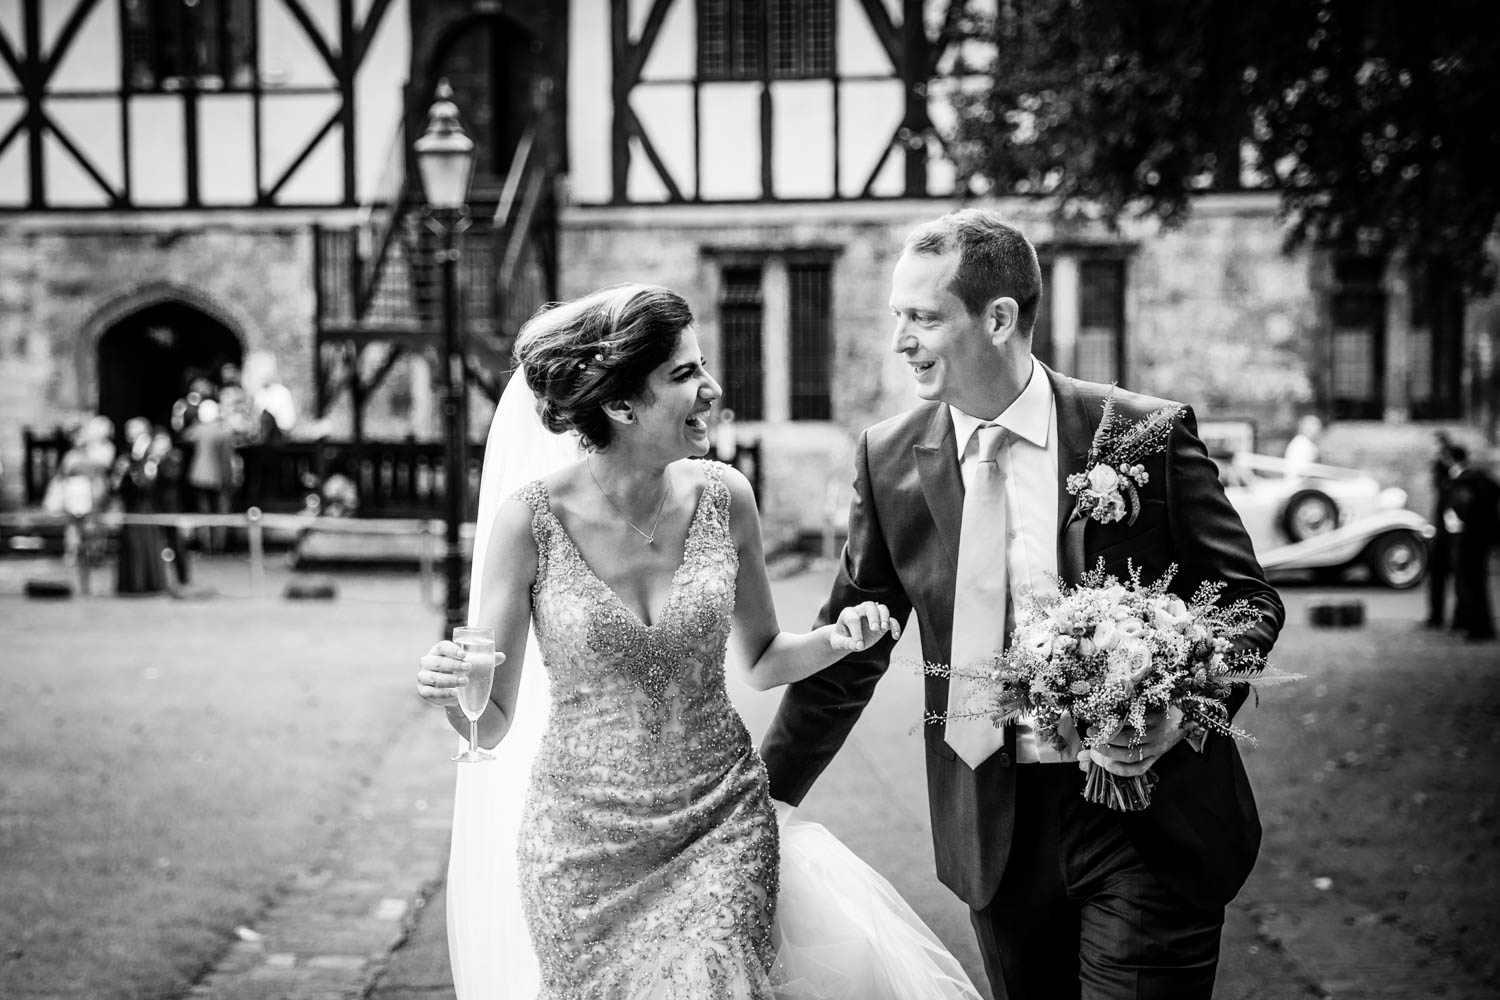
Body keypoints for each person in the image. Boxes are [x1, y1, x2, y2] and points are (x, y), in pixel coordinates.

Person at [759, 209, 1285, 1000]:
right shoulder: (890, 459)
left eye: (924, 318)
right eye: (898, 317)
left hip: (1149, 819)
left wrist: (1180, 710)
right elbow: (851, 649)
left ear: (999, 318)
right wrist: (761, 803)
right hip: (996, 832)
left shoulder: (1140, 434)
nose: (900, 340)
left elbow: (1245, 602)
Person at [415, 285, 980, 1000]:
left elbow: (764, 656)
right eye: (683, 375)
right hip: (582, 847)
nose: (712, 388)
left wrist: (838, 638)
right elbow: (486, 716)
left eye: (702, 366)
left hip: (719, 820)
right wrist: (449, 692)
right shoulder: (529, 522)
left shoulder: (726, 496)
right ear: (621, 405)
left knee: (717, 981)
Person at [1445, 444, 1498, 641]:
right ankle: (1479, 625)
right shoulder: (1481, 477)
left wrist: (1460, 520)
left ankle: (1477, 628)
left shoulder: (1465, 481)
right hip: (1481, 538)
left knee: (1470, 583)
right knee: (1477, 583)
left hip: (1469, 539)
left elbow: (1463, 508)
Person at [110, 417, 168, 595]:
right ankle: (133, 582)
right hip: (131, 504)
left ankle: (146, 582)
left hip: (144, 504)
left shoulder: (149, 450)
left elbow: (147, 480)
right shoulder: (129, 451)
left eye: (131, 429)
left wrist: (132, 471)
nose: (128, 433)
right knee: (132, 543)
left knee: (143, 542)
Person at [1425, 433, 1458, 628]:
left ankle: (1450, 617)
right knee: (1438, 577)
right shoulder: (1444, 475)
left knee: (1459, 579)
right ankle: (1437, 616)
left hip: (1449, 534)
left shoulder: (1452, 477)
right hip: (1443, 530)